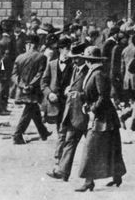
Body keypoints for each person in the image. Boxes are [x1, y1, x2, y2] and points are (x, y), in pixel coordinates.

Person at [74, 46, 126, 192]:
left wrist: (92, 109)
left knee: (91, 147)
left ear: (90, 61)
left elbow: (103, 96)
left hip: (103, 117)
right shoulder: (94, 72)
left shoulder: (98, 74)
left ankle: (89, 181)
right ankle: (117, 176)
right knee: (112, 145)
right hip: (103, 115)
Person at [47, 43, 89, 182]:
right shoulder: (76, 68)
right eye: (73, 57)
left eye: (77, 58)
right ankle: (63, 172)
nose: (74, 60)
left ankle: (114, 174)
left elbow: (94, 92)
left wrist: (79, 94)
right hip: (73, 112)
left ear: (83, 57)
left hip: (86, 113)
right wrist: (69, 89)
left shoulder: (89, 70)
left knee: (95, 145)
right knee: (70, 140)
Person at [11, 33, 51, 144]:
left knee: (33, 109)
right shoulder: (42, 57)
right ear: (37, 45)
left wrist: (23, 85)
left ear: (27, 45)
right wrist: (31, 85)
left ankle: (43, 132)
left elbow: (14, 75)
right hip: (33, 90)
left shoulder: (19, 57)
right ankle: (17, 135)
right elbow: (40, 73)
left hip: (22, 90)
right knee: (29, 111)